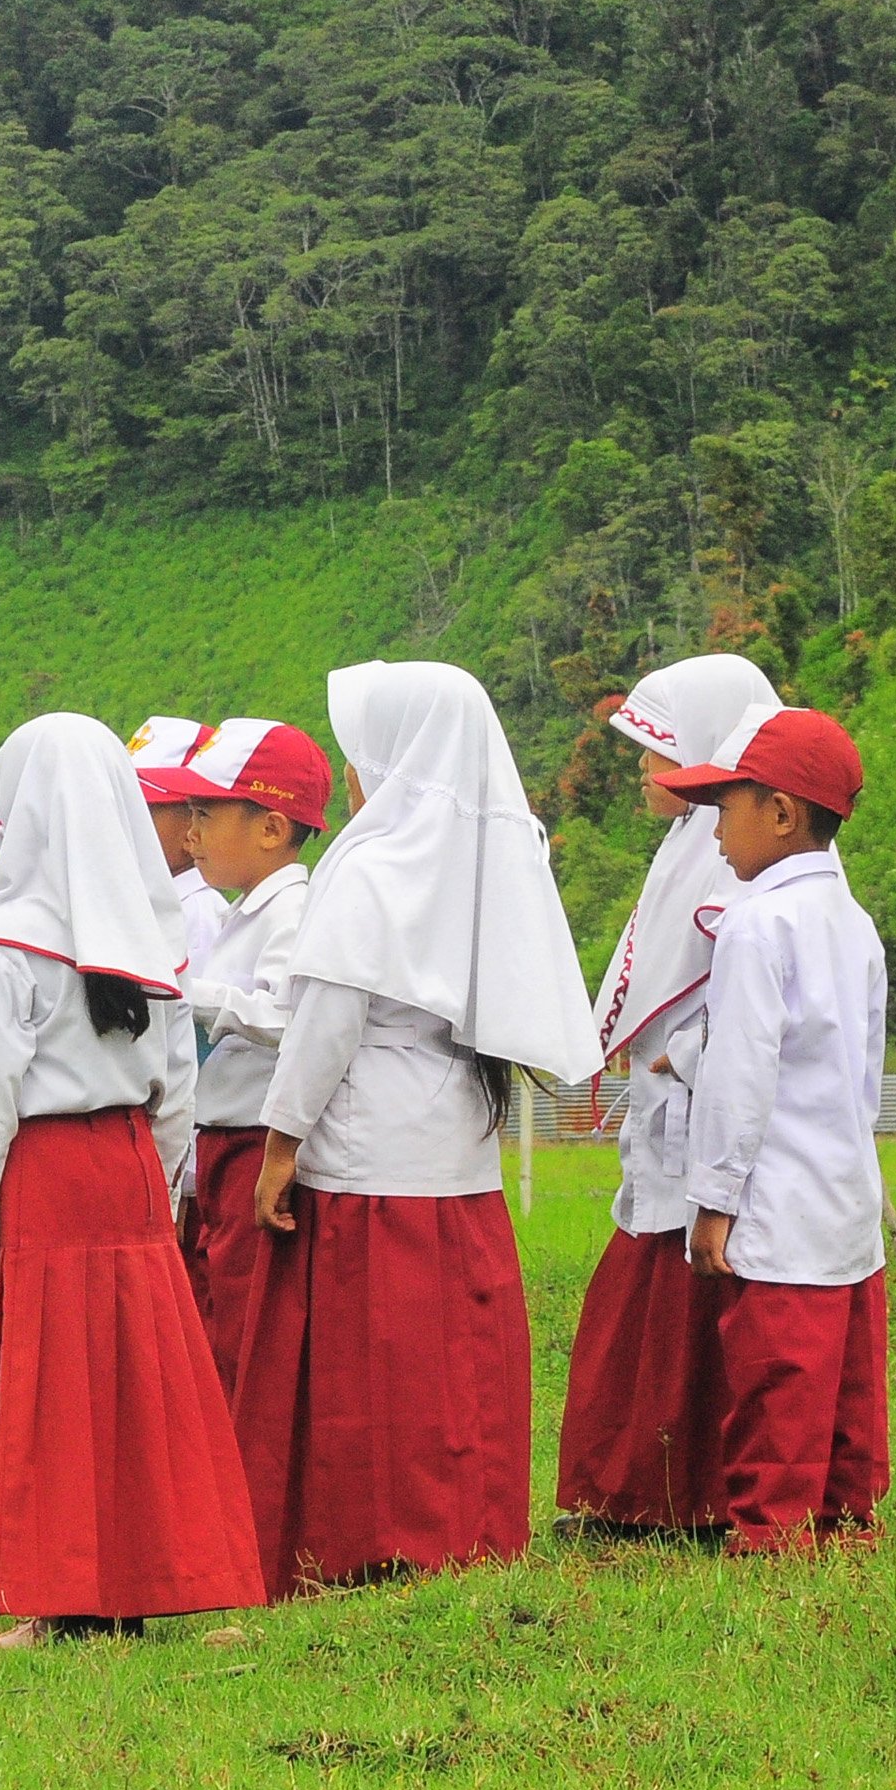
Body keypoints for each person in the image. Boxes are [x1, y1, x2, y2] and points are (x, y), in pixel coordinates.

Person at [240, 662, 600, 1593]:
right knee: (454, 1355)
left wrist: (280, 1143)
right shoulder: (490, 857)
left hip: (369, 1148)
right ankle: (469, 1530)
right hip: (458, 1140)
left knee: (377, 1363)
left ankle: (370, 1543)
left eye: (361, 751)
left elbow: (326, 1025)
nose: (349, 773)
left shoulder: (372, 864)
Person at [0, 714, 264, 1647]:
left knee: (53, 1381)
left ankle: (60, 1595)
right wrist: (158, 1183)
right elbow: (177, 1084)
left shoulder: (5, 935)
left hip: (48, 1169)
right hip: (126, 1165)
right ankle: (164, 1581)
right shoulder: (150, 928)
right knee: (141, 1377)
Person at [652, 704, 892, 1555]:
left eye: (725, 808)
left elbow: (740, 1072)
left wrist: (713, 1201)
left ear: (782, 813)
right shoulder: (852, 923)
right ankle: (844, 1522)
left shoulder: (755, 922)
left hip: (775, 1194)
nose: (715, 832)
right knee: (845, 1384)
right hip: (842, 1192)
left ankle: (772, 1536)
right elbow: (864, 1072)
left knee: (776, 1377)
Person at [556, 652, 776, 1537]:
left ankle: (684, 1498)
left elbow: (751, 986)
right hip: (670, 1116)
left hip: (700, 1115)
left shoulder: (738, 852)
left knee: (692, 1302)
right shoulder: (691, 841)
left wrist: (682, 1054)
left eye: (659, 750)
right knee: (647, 1302)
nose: (644, 770)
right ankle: (638, 1494)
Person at [156, 718, 331, 1401]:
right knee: (219, 1308)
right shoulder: (244, 911)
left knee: (245, 1317)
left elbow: (291, 1019)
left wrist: (191, 995)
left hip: (257, 1140)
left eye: (205, 814)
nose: (190, 833)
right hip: (222, 1139)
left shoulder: (292, 912)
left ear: (271, 828)